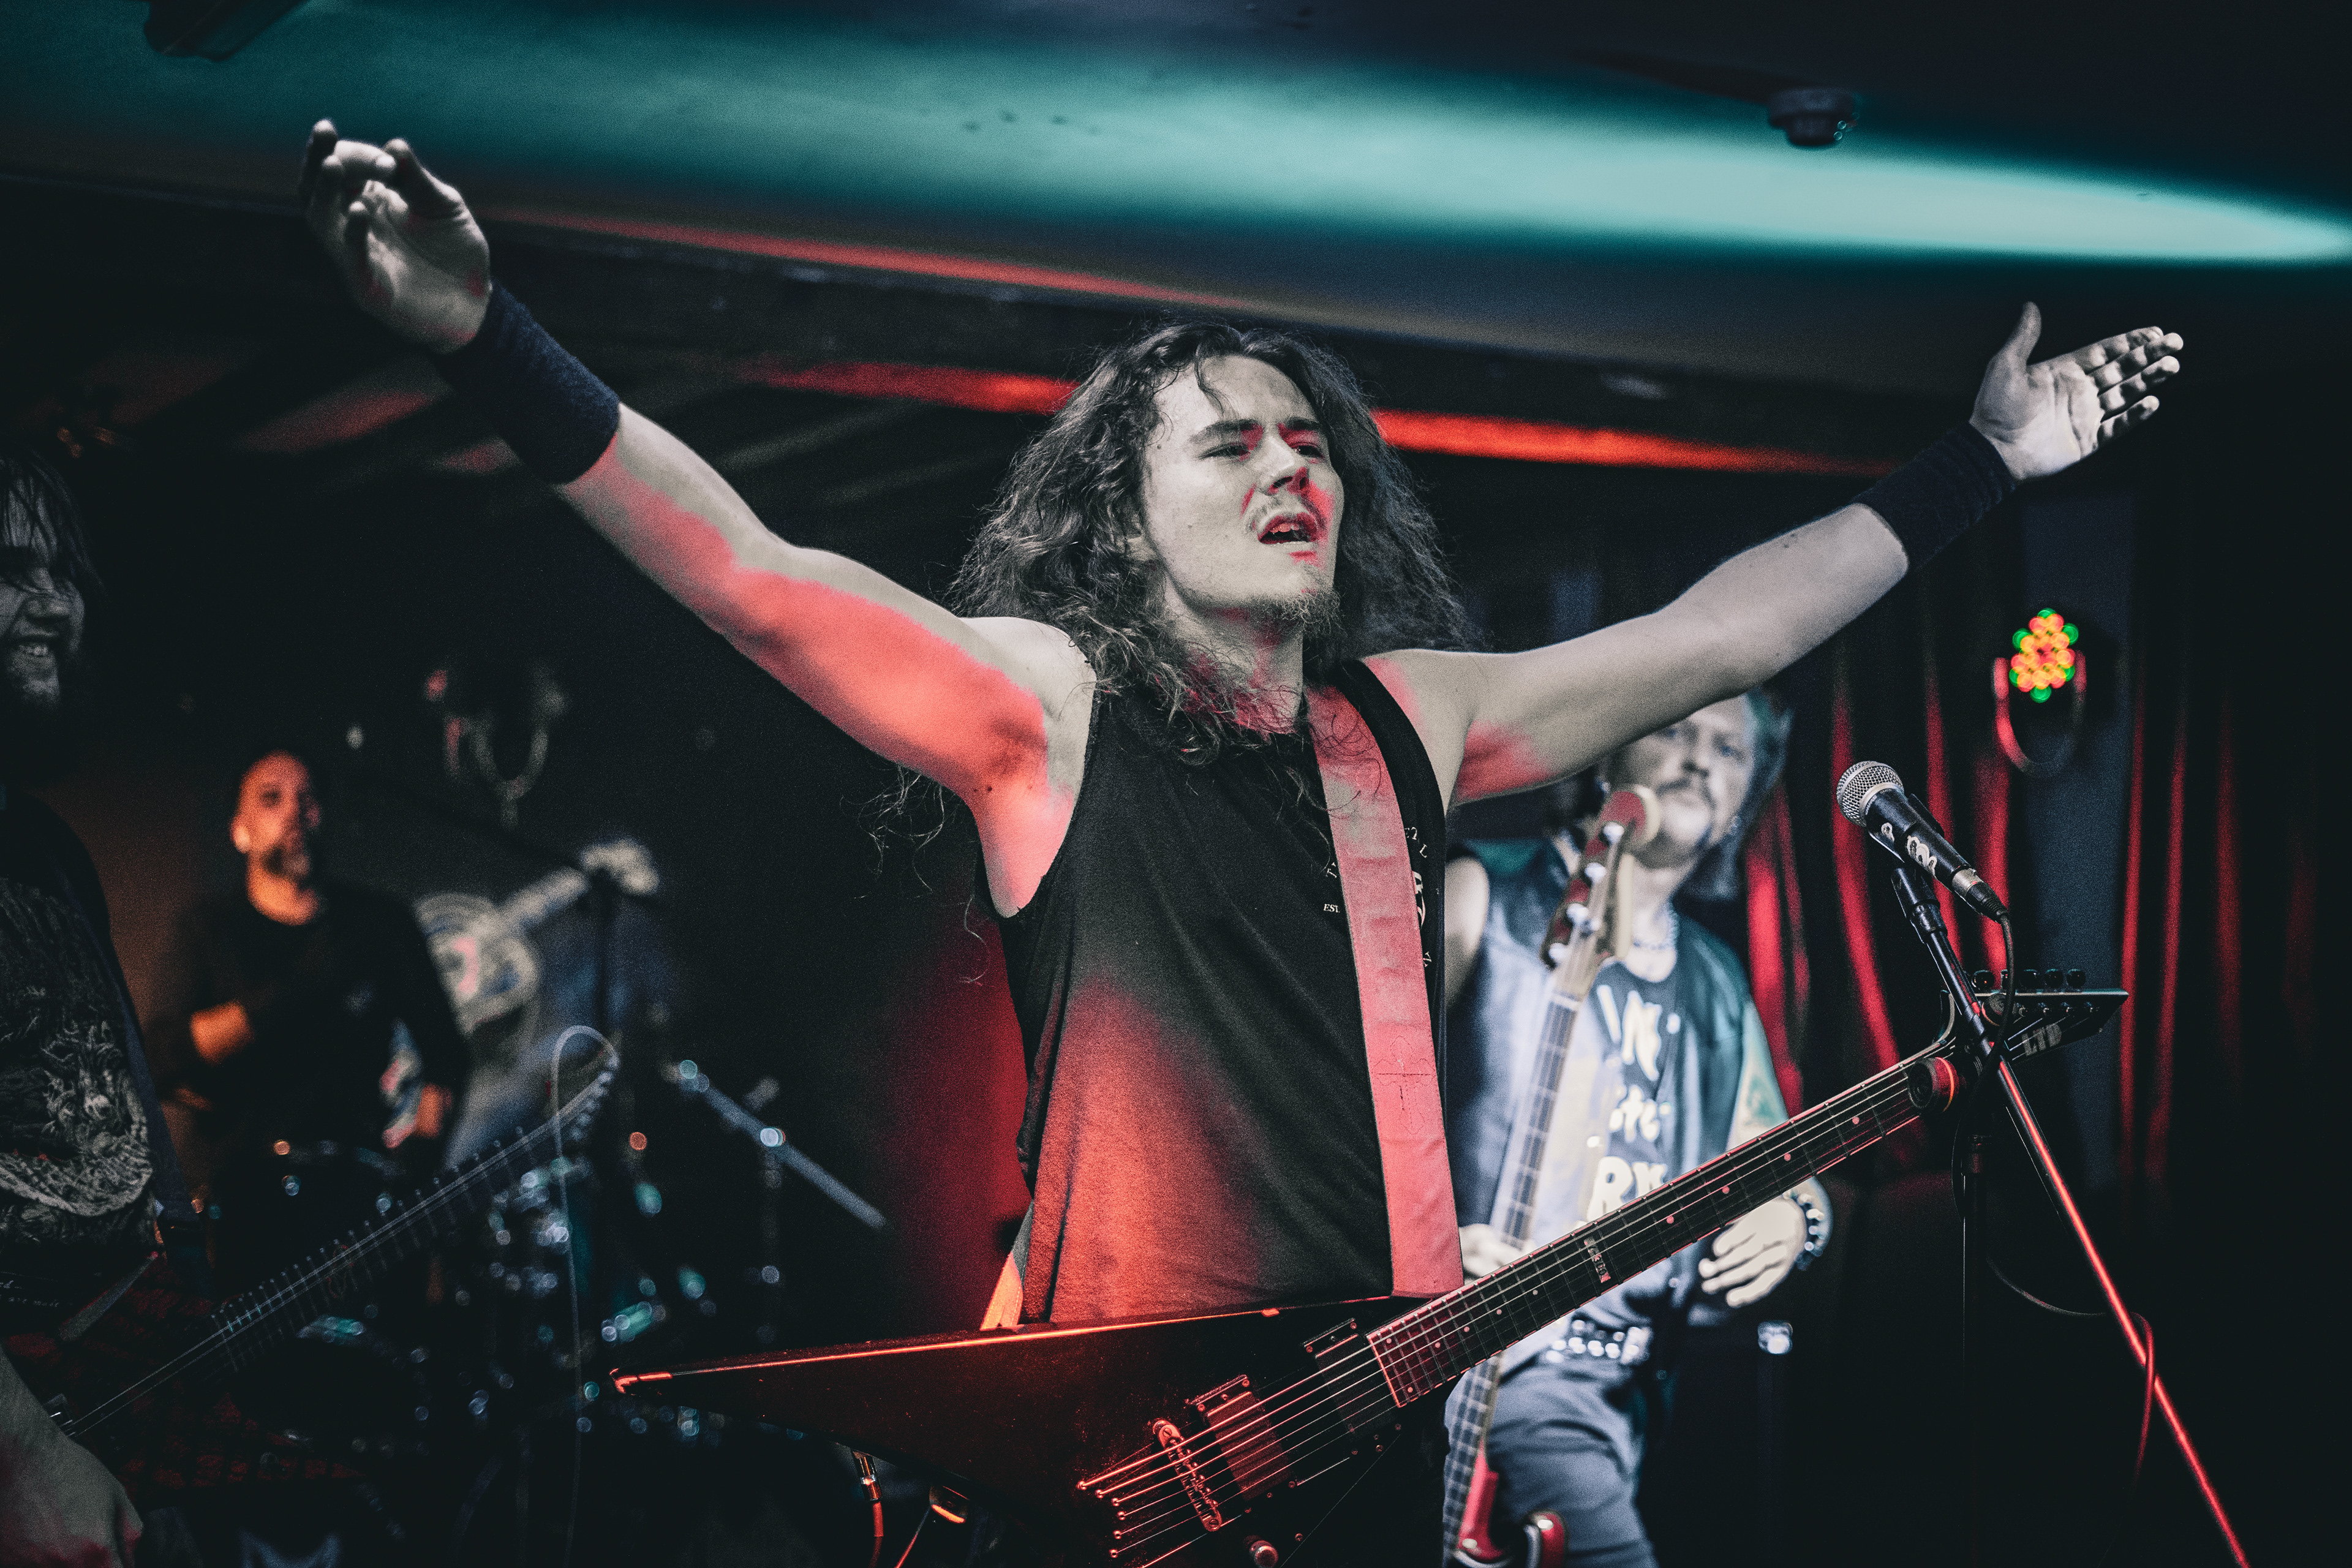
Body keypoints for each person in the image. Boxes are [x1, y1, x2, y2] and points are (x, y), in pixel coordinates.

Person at [292, 116, 2177, 1517]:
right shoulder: (1049, 712)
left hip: (1373, 1421)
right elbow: (755, 580)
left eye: (1311, 441)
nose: (1294, 467)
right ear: (1125, 520)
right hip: (1136, 1456)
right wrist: (485, 335)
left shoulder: (1404, 722)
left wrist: (1985, 461)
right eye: (1229, 441)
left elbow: (1719, 633)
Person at [1443, 694, 1825, 1567]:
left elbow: (1781, 1164)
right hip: (1497, 1367)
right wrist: (1422, 1243)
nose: (1699, 760)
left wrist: (1795, 1217)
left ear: (1746, 799)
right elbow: (1351, 1099)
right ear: (1606, 754)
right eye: (1676, 729)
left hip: (1635, 1391)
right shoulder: (1489, 894)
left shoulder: (1715, 980)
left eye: (1729, 749)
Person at [0, 443, 183, 1568]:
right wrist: (20, 1452)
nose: (58, 605)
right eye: (12, 570)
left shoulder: (47, 850)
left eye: (61, 571)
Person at [144, 749, 469, 1289]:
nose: (294, 810)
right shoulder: (207, 930)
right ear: (241, 830)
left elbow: (447, 1056)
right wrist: (294, 990)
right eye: (271, 798)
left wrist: (418, 1165)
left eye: (308, 797)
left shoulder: (379, 925)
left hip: (355, 1204)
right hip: (236, 1201)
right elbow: (158, 1057)